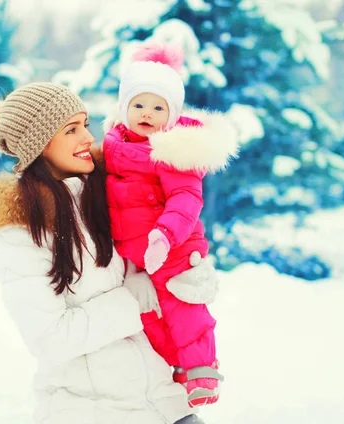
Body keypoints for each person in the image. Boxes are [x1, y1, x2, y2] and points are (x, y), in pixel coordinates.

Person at [0, 82, 217, 424]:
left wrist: (186, 274)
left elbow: (158, 256)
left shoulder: (108, 194)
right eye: (71, 129)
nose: (87, 137)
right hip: (92, 411)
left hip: (169, 405)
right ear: (38, 145)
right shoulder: (22, 233)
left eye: (85, 124)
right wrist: (134, 299)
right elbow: (50, 339)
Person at [95, 43, 239, 407]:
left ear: (171, 114)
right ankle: (175, 369)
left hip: (172, 248)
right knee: (151, 319)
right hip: (136, 256)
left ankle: (203, 372)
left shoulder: (174, 150)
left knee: (184, 308)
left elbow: (186, 198)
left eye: (158, 107)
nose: (147, 113)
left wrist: (165, 235)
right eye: (138, 105)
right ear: (124, 108)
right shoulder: (112, 147)